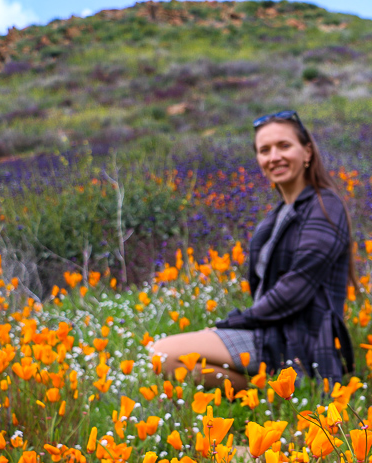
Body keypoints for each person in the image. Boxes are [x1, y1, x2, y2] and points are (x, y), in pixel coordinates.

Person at [151, 110, 355, 391]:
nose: (274, 157)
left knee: (162, 355)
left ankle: (270, 393)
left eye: (284, 146)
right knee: (182, 363)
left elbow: (296, 287)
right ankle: (265, 396)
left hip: (295, 342)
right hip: (269, 332)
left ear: (307, 152)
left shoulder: (324, 206)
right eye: (265, 150)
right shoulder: (279, 215)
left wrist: (238, 322)